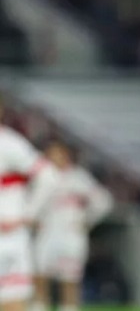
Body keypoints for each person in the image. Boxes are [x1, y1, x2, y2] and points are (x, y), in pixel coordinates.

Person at [31, 139, 113, 311]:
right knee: (40, 276)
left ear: (66, 155)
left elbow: (103, 201)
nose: (54, 157)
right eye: (50, 154)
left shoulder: (78, 177)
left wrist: (86, 221)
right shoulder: (42, 177)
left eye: (58, 153)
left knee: (69, 280)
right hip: (47, 233)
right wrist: (33, 221)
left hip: (70, 236)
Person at [0, 97, 59, 311]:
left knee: (10, 299)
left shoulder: (9, 143)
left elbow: (49, 176)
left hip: (6, 236)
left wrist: (25, 215)